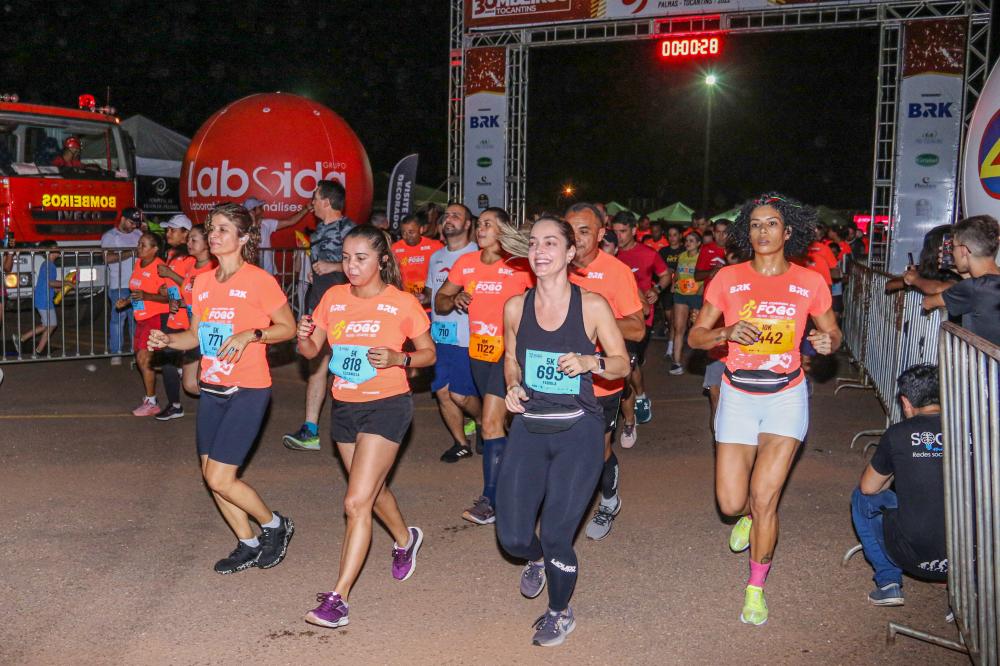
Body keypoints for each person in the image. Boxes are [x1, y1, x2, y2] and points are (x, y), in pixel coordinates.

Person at [689, 192, 841, 626]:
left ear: (787, 231)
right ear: (746, 232)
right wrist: (727, 330)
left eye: (771, 223)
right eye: (755, 224)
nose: (763, 231)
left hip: (785, 397)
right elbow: (696, 337)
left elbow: (832, 333)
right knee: (731, 501)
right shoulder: (727, 279)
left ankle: (755, 588)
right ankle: (746, 518)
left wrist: (829, 344)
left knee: (764, 497)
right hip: (737, 396)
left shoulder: (809, 282)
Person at [496, 216, 630, 647]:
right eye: (534, 243)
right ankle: (536, 560)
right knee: (514, 538)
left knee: (556, 533)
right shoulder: (515, 306)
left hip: (578, 430)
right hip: (530, 427)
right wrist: (512, 386)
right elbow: (511, 359)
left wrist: (592, 363)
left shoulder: (591, 305)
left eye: (551, 243)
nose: (540, 251)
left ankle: (559, 611)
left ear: (570, 253)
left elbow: (622, 364)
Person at [297, 225, 435, 629]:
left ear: (382, 261)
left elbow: (428, 354)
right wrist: (305, 338)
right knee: (373, 492)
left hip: (388, 406)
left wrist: (399, 359)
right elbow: (311, 351)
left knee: (355, 501)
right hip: (345, 407)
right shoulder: (333, 298)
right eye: (346, 257)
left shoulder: (402, 303)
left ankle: (338, 599)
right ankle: (407, 540)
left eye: (361, 258)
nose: (351, 265)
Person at [148, 203, 296, 574]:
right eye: (212, 228)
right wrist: (167, 339)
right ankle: (247, 543)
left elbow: (288, 327)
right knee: (212, 477)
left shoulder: (259, 281)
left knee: (219, 476)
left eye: (223, 229)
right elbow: (194, 337)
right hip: (213, 387)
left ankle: (275, 525)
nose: (214, 235)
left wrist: (252, 334)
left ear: (244, 238)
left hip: (248, 388)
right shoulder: (202, 282)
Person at [435, 207, 534, 525]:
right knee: (501, 424)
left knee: (490, 423)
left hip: (511, 356)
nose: (480, 229)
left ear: (503, 230)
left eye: (488, 224)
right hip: (479, 353)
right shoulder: (466, 264)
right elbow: (440, 300)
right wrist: (456, 298)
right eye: (479, 224)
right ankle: (520, 473)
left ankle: (491, 498)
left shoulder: (520, 266)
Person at [563, 203, 645, 541]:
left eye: (585, 231)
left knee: (597, 452)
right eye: (571, 231)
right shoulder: (551, 265)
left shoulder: (616, 272)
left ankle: (609, 501)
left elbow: (638, 330)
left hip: (599, 380)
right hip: (555, 379)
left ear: (600, 234)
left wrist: (596, 322)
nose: (578, 239)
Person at [851, 364, 947, 606]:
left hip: (913, 556)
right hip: (971, 557)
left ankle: (888, 582)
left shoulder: (898, 434)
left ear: (905, 402)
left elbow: (869, 488)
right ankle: (968, 597)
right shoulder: (971, 432)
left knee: (862, 498)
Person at [283, 180, 357, 452]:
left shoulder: (351, 230)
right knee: (316, 362)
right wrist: (314, 273)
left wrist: (334, 265)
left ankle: (360, 427)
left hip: (347, 308)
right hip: (319, 303)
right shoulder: (316, 234)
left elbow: (371, 265)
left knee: (348, 366)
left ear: (326, 201)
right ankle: (310, 430)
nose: (311, 202)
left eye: (314, 197)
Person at [428, 204, 482, 462]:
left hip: (467, 336)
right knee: (441, 392)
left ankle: (483, 419)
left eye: (456, 216)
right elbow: (432, 294)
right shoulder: (436, 257)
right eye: (446, 215)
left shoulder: (478, 256)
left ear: (468, 224)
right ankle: (461, 443)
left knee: (460, 394)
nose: (449, 219)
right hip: (440, 335)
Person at [610, 212, 670, 436]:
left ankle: (641, 396)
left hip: (640, 319)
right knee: (622, 364)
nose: (618, 236)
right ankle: (621, 408)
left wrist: (656, 289)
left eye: (623, 231)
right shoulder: (608, 255)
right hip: (612, 318)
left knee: (632, 365)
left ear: (634, 230)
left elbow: (665, 275)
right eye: (615, 231)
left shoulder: (648, 254)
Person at [912, 215, 1000, 346]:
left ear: (964, 251)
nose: (952, 252)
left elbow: (928, 303)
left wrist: (915, 279)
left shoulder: (971, 288)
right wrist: (959, 271)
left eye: (953, 247)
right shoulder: (984, 285)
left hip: (983, 365)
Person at [158, 222, 216, 419]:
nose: (188, 243)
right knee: (191, 385)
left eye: (194, 239)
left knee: (211, 378)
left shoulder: (214, 268)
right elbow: (191, 296)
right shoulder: (192, 265)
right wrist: (179, 303)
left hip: (209, 331)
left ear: (207, 244)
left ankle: (228, 407)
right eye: (188, 238)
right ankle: (225, 402)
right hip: (193, 330)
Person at [117, 232, 170, 416]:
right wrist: (127, 301)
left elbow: (170, 298)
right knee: (143, 359)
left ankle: (151, 402)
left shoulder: (160, 268)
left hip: (155, 317)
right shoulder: (138, 263)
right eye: (139, 244)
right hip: (141, 318)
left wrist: (147, 297)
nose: (139, 247)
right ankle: (176, 367)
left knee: (143, 359)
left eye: (144, 245)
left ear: (155, 249)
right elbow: (137, 291)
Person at [153, 214, 196, 420]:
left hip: (188, 318)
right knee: (168, 359)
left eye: (173, 230)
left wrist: (170, 276)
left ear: (185, 234)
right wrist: (166, 289)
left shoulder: (192, 258)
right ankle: (175, 405)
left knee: (197, 363)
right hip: (172, 316)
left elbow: (191, 286)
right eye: (167, 229)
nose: (168, 233)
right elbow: (175, 286)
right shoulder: (171, 253)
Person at [101, 207, 143, 364]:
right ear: (123, 219)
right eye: (132, 222)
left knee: (137, 318)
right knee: (118, 319)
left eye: (136, 223)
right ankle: (116, 353)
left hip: (138, 285)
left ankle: (136, 351)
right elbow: (106, 258)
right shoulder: (110, 236)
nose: (134, 226)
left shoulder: (139, 234)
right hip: (119, 285)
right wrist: (131, 253)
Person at [13, 241, 62, 356]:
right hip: (43, 299)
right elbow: (50, 282)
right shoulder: (49, 265)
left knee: (51, 324)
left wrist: (57, 289)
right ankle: (22, 339)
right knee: (48, 325)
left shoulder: (48, 265)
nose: (59, 250)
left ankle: (38, 351)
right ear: (49, 251)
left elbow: (45, 283)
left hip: (44, 298)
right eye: (56, 248)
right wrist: (67, 282)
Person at [245, 197, 313, 276]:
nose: (263, 209)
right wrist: (253, 222)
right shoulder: (242, 228)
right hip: (250, 273)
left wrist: (306, 208)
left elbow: (290, 221)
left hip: (268, 273)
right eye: (260, 207)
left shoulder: (266, 224)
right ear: (253, 211)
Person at [669, 231, 703, 375]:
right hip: (681, 295)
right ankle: (676, 363)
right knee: (679, 328)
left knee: (697, 328)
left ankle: (700, 361)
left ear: (698, 243)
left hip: (696, 295)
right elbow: (677, 273)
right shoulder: (682, 256)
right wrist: (673, 283)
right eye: (687, 240)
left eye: (691, 241)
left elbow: (704, 274)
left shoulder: (701, 257)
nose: (688, 243)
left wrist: (701, 291)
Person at [392, 214, 444, 307]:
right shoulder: (394, 249)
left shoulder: (436, 247)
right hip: (405, 303)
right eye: (403, 233)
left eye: (411, 232)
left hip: (429, 303)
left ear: (421, 230)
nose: (407, 236)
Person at [658, 225, 685, 356]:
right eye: (670, 235)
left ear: (680, 236)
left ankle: (671, 348)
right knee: (670, 318)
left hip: (682, 288)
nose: (672, 237)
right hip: (666, 288)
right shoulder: (663, 251)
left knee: (676, 320)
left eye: (675, 234)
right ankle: (671, 343)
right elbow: (658, 269)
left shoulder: (685, 250)